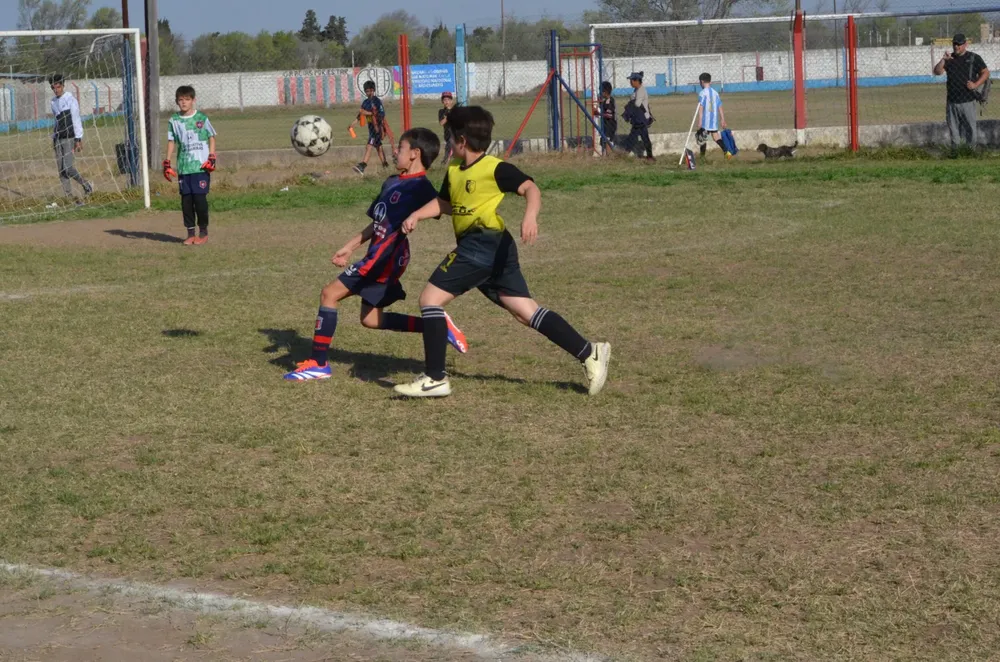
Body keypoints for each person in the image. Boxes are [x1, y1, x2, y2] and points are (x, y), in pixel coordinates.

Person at [393, 106, 611, 398]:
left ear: (461, 140)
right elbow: (445, 204)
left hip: (483, 243)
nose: (446, 143)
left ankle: (435, 378)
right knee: (524, 311)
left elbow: (530, 188)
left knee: (430, 300)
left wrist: (530, 216)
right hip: (495, 248)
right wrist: (418, 215)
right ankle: (589, 351)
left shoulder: (494, 168)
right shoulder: (455, 171)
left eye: (449, 138)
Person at [283, 127, 468, 382]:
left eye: (400, 149)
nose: (395, 152)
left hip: (386, 258)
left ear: (415, 154)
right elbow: (377, 222)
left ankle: (319, 363)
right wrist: (350, 246)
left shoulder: (421, 188)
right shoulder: (391, 181)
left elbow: (447, 206)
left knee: (329, 293)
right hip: (377, 254)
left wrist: (419, 216)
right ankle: (436, 325)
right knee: (370, 319)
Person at [163, 86, 216, 246]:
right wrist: (167, 162)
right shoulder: (174, 120)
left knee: (200, 200)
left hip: (200, 167)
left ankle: (203, 231)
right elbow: (171, 141)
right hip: (184, 168)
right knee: (186, 202)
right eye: (180, 100)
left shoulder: (201, 118)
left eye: (187, 99)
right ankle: (190, 233)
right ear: (177, 102)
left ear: (193, 100)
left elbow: (212, 136)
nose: (183, 102)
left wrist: (212, 157)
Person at [933, 33, 990, 149]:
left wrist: (976, 84)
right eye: (954, 44)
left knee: (970, 129)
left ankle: (970, 152)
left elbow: (986, 73)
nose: (956, 47)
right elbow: (937, 72)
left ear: (965, 44)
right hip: (952, 101)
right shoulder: (949, 59)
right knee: (953, 130)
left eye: (959, 44)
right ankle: (956, 152)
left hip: (968, 100)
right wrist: (943, 60)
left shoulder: (974, 58)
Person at [48, 74, 93, 203]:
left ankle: (86, 185)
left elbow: (76, 120)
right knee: (61, 169)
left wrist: (78, 139)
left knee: (68, 167)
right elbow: (57, 120)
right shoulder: (53, 102)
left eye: (58, 86)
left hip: (69, 138)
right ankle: (69, 197)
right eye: (53, 87)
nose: (56, 89)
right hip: (58, 138)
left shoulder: (70, 100)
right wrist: (54, 135)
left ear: (63, 86)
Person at [349, 81, 395, 174]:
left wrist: (369, 113)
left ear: (374, 90)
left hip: (377, 128)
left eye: (371, 91)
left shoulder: (377, 101)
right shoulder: (365, 102)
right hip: (371, 128)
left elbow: (382, 114)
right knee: (379, 148)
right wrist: (353, 124)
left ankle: (362, 166)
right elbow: (360, 115)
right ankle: (385, 165)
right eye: (367, 91)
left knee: (369, 146)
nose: (369, 93)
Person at [695, 72, 730, 159]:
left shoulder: (702, 93)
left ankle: (702, 157)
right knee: (716, 137)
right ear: (710, 82)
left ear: (702, 82)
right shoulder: (715, 93)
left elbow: (701, 107)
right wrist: (722, 119)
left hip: (705, 121)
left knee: (702, 138)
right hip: (713, 121)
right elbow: (720, 106)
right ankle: (727, 153)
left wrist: (699, 121)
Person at [621, 71, 654, 161]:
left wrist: (629, 104)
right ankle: (649, 156)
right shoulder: (636, 90)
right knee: (637, 137)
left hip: (641, 118)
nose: (630, 82)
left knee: (637, 137)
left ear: (636, 81)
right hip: (637, 118)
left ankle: (625, 154)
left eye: (631, 80)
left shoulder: (641, 90)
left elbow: (637, 104)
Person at [598, 81, 617, 154]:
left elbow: (609, 115)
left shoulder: (610, 101)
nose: (600, 93)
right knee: (604, 140)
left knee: (607, 141)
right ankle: (606, 155)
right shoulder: (606, 101)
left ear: (605, 92)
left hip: (610, 125)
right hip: (606, 125)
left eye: (601, 91)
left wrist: (599, 113)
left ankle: (609, 156)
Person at [438, 91, 456, 163]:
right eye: (445, 100)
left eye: (448, 100)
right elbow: (441, 123)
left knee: (450, 145)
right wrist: (448, 115)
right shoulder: (441, 111)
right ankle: (449, 158)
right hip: (447, 133)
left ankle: (445, 160)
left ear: (451, 101)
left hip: (455, 133)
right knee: (450, 145)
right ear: (442, 101)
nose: (447, 102)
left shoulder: (455, 110)